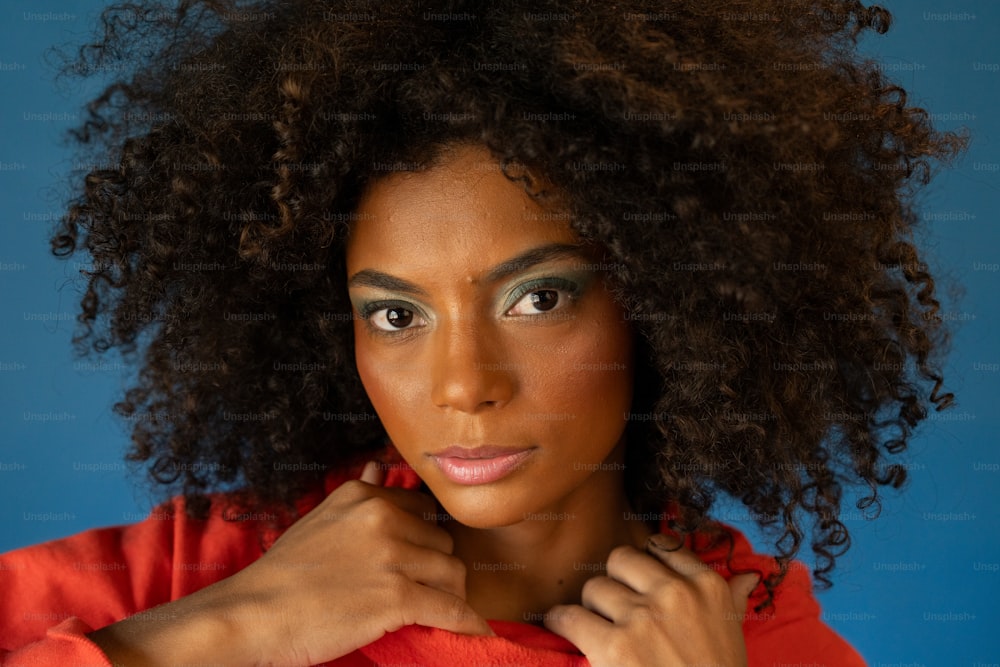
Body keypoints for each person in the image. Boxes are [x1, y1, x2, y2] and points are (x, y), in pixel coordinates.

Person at [0, 1, 965, 665]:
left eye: (536, 299)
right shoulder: (209, 568)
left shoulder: (750, 635)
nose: (463, 384)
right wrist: (225, 629)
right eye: (396, 315)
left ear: (668, 291)